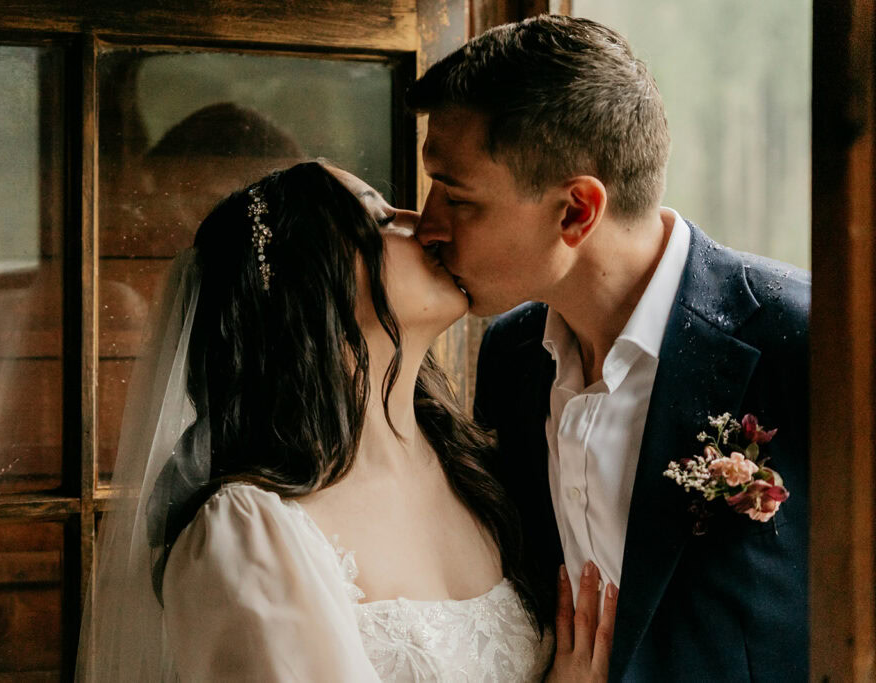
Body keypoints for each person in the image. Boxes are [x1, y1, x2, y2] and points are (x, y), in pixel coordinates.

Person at [77, 160, 615, 681]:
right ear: (307, 287)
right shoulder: (247, 535)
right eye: (380, 221)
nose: (423, 225)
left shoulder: (483, 470)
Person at [407, 15, 810, 682]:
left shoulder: (803, 340)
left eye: (457, 197)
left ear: (576, 212)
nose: (428, 227)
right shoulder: (511, 358)